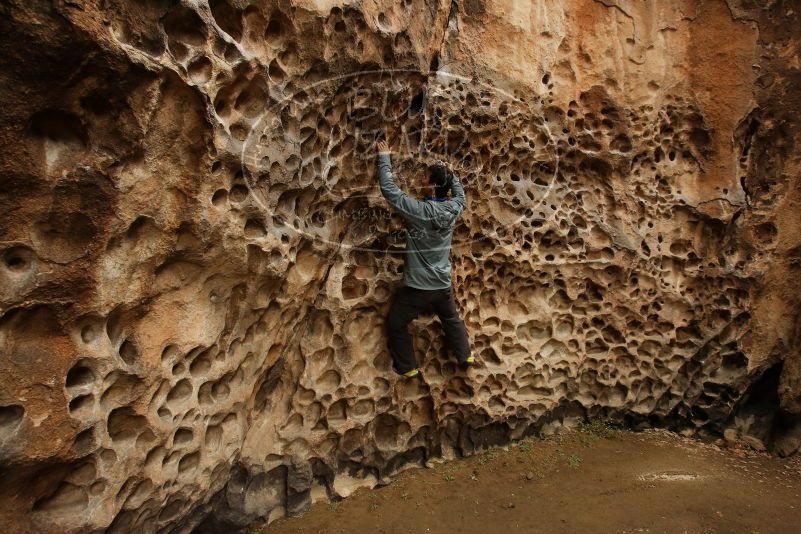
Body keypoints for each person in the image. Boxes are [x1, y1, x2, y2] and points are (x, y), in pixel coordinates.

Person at [376, 138, 473, 378]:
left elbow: (390, 190)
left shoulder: (419, 212)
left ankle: (408, 367)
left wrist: (384, 157)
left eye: (426, 177)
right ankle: (466, 355)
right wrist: (451, 176)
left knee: (396, 323)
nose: (422, 179)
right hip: (442, 284)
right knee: (451, 317)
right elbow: (460, 194)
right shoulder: (455, 207)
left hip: (418, 289)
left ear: (431, 187)